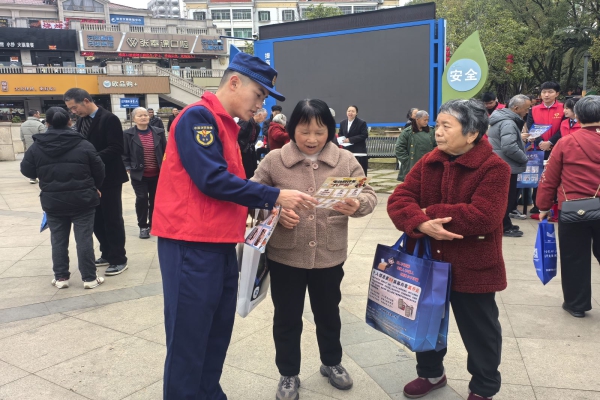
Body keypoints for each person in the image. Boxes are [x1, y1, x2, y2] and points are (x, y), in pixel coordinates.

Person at [150, 51, 318, 400]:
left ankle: (209, 393)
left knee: (214, 334)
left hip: (220, 244)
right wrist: (274, 196)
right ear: (235, 82)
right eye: (258, 94)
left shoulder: (226, 126)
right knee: (189, 340)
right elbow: (212, 180)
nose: (260, 105)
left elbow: (231, 189)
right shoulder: (198, 117)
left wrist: (263, 210)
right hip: (191, 245)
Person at [251, 99, 377, 400]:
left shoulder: (345, 159)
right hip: (286, 255)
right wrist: (274, 211)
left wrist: (357, 204)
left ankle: (331, 362)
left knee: (328, 314)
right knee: (286, 318)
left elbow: (369, 194)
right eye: (304, 131)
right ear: (292, 129)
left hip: (329, 255)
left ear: (330, 131)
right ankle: (288, 373)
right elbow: (252, 196)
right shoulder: (274, 160)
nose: (311, 139)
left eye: (319, 132)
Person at [388, 99, 510, 400]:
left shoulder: (494, 168)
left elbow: (484, 215)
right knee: (426, 322)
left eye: (446, 126)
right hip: (429, 262)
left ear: (472, 133)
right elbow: (399, 199)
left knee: (480, 331)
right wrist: (420, 222)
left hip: (473, 265)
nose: (438, 132)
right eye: (437, 125)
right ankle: (430, 373)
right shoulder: (429, 161)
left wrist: (429, 212)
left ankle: (483, 387)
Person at [20, 107, 105, 289]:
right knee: (84, 239)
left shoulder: (36, 147)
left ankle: (61, 278)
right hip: (83, 199)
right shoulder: (84, 144)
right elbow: (99, 170)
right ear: (69, 121)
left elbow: (27, 170)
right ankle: (89, 278)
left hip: (53, 201)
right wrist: (95, 187)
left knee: (58, 240)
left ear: (47, 123)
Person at [536, 95, 600, 318]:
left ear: (578, 117)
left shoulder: (566, 142)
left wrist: (543, 206)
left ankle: (577, 304)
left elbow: (549, 178)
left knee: (574, 257)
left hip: (573, 209)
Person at [64, 88, 129, 276]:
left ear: (86, 100)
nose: (73, 112)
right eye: (70, 109)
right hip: (90, 178)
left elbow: (116, 148)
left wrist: (91, 159)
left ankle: (119, 258)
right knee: (97, 219)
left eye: (74, 107)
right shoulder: (81, 120)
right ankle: (106, 253)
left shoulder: (109, 119)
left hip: (110, 177)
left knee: (112, 218)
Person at [487, 94, 532, 237]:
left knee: (504, 198)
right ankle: (504, 227)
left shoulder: (501, 119)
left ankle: (505, 224)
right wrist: (524, 158)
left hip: (502, 163)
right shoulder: (508, 123)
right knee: (507, 198)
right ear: (516, 108)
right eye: (526, 108)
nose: (527, 112)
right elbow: (509, 147)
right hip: (507, 165)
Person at [122, 107, 167, 239]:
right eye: (140, 116)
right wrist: (128, 167)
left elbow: (166, 150)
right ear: (134, 118)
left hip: (157, 174)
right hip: (139, 174)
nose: (143, 117)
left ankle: (153, 224)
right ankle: (143, 226)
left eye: (145, 115)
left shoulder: (158, 132)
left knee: (155, 200)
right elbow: (124, 153)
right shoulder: (128, 134)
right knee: (142, 199)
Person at [526, 81, 564, 214]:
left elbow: (563, 128)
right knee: (538, 177)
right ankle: (537, 205)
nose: (546, 95)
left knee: (554, 177)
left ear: (557, 94)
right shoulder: (533, 109)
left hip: (556, 148)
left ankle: (554, 205)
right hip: (538, 149)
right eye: (544, 92)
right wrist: (541, 142)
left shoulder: (563, 108)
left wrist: (551, 142)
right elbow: (531, 127)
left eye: (550, 92)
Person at [395, 110, 435, 182]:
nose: (426, 122)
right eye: (424, 120)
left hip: (428, 164)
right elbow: (399, 148)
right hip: (412, 165)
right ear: (417, 119)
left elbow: (436, 145)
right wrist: (407, 162)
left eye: (427, 120)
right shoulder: (407, 132)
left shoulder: (431, 131)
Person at [337, 105, 369, 175]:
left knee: (360, 173)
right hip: (346, 150)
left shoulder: (361, 123)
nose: (350, 113)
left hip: (358, 151)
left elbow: (364, 135)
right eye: (349, 111)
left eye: (352, 111)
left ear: (356, 113)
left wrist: (350, 140)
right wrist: (342, 139)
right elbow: (340, 133)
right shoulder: (343, 123)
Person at [238, 108, 267, 178]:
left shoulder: (257, 126)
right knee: (246, 170)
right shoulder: (245, 122)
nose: (264, 119)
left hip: (250, 150)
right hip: (242, 150)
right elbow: (236, 135)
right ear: (260, 115)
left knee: (253, 169)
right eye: (264, 117)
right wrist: (242, 146)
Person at [20, 109, 46, 183]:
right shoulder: (40, 125)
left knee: (31, 162)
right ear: (35, 115)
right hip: (39, 147)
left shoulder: (23, 124)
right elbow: (43, 136)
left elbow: (22, 137)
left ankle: (32, 178)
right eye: (38, 114)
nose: (39, 115)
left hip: (29, 147)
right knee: (40, 162)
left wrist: (26, 144)